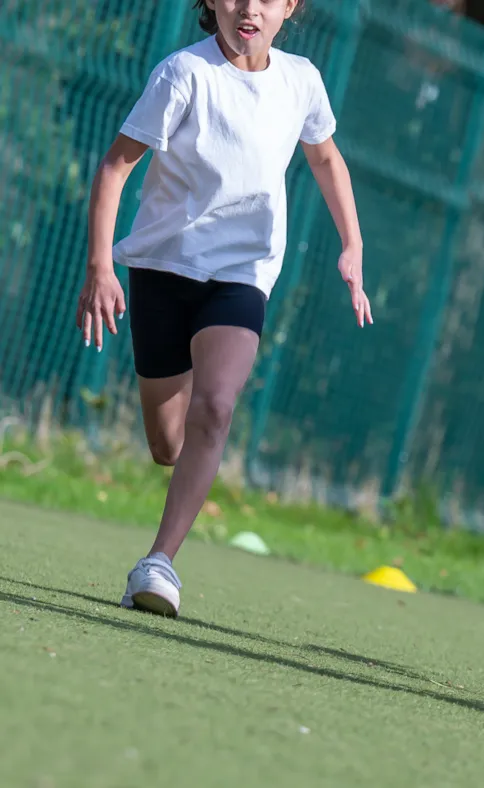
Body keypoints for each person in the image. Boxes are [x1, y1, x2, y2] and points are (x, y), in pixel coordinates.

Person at [76, 0, 369, 618]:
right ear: (211, 1)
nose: (249, 8)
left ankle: (158, 563)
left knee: (217, 405)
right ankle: (183, 472)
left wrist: (353, 244)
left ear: (290, 7)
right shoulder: (184, 74)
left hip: (242, 275)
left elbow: (325, 156)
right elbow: (115, 166)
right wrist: (101, 266)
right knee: (166, 443)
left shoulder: (302, 81)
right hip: (162, 269)